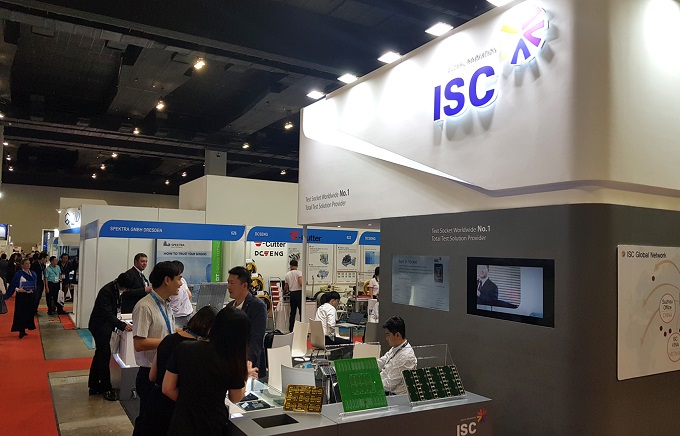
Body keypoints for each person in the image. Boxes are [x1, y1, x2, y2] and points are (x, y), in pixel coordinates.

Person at [162, 306, 250, 436]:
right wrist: (245, 375)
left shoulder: (184, 348)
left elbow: (167, 388)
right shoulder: (233, 361)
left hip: (182, 422)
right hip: (213, 424)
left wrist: (188, 404)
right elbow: (235, 397)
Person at [143, 306, 217, 436]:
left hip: (155, 401)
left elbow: (152, 376)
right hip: (176, 409)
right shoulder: (196, 350)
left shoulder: (167, 339)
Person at [132, 261, 182, 436]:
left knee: (160, 423)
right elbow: (139, 344)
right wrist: (170, 342)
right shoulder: (145, 306)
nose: (181, 283)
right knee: (147, 422)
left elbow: (167, 331)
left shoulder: (166, 304)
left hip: (165, 372)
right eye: (179, 278)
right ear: (167, 280)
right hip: (149, 375)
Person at [88, 272, 135, 401]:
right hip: (99, 327)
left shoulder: (114, 289)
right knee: (104, 356)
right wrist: (122, 325)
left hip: (105, 326)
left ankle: (94, 385)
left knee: (100, 355)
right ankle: (106, 388)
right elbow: (107, 313)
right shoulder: (107, 291)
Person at [226, 266, 266, 379]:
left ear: (244, 285)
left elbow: (256, 339)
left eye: (232, 283)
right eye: (228, 282)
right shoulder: (229, 307)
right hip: (230, 362)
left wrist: (246, 364)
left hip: (249, 364)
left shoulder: (257, 306)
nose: (228, 287)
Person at [377, 316, 417, 396]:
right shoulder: (397, 347)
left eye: (388, 335)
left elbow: (389, 384)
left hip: (395, 396)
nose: (386, 338)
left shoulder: (406, 357)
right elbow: (382, 361)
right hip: (384, 387)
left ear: (397, 335)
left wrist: (370, 383)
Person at [9, 257, 37, 338]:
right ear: (22, 265)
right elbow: (13, 285)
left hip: (30, 295)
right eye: (26, 264)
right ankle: (21, 330)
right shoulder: (19, 274)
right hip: (21, 296)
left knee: (29, 312)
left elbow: (35, 283)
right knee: (20, 312)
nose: (28, 265)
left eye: (29, 263)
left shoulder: (33, 273)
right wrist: (18, 289)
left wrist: (33, 289)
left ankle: (26, 327)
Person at [168, 260, 193, 328]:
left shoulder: (180, 281)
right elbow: (189, 295)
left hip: (179, 316)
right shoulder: (182, 280)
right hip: (186, 313)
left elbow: (189, 295)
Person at [284, 259, 303, 333]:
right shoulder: (299, 272)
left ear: (290, 266)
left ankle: (291, 329)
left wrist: (284, 292)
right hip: (299, 293)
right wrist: (305, 283)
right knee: (301, 312)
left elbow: (286, 286)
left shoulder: (287, 274)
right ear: (297, 265)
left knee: (293, 312)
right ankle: (302, 329)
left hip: (292, 294)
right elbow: (300, 283)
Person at [30, 252, 48, 316]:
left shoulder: (43, 265)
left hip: (41, 282)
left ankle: (35, 310)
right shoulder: (35, 264)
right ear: (42, 258)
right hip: (36, 283)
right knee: (35, 297)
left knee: (39, 297)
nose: (46, 260)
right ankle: (32, 310)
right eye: (45, 258)